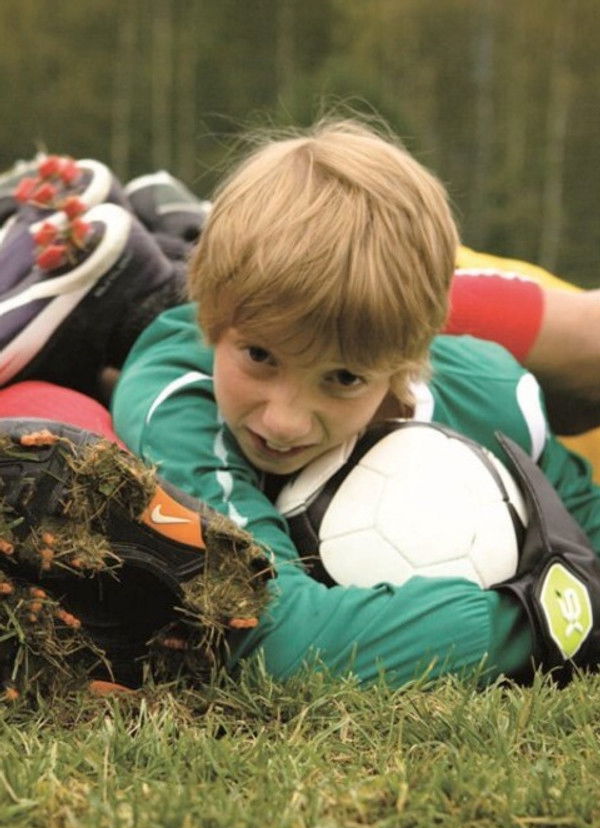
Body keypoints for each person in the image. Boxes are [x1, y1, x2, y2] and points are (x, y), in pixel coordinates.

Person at [1, 125, 600, 693]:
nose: (283, 420)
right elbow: (271, 637)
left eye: (343, 378)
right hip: (130, 372)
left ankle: (162, 239)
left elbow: (586, 541)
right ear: (212, 321)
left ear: (402, 363)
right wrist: (535, 618)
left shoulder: (495, 394)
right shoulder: (179, 398)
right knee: (67, 431)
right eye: (260, 357)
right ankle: (114, 299)